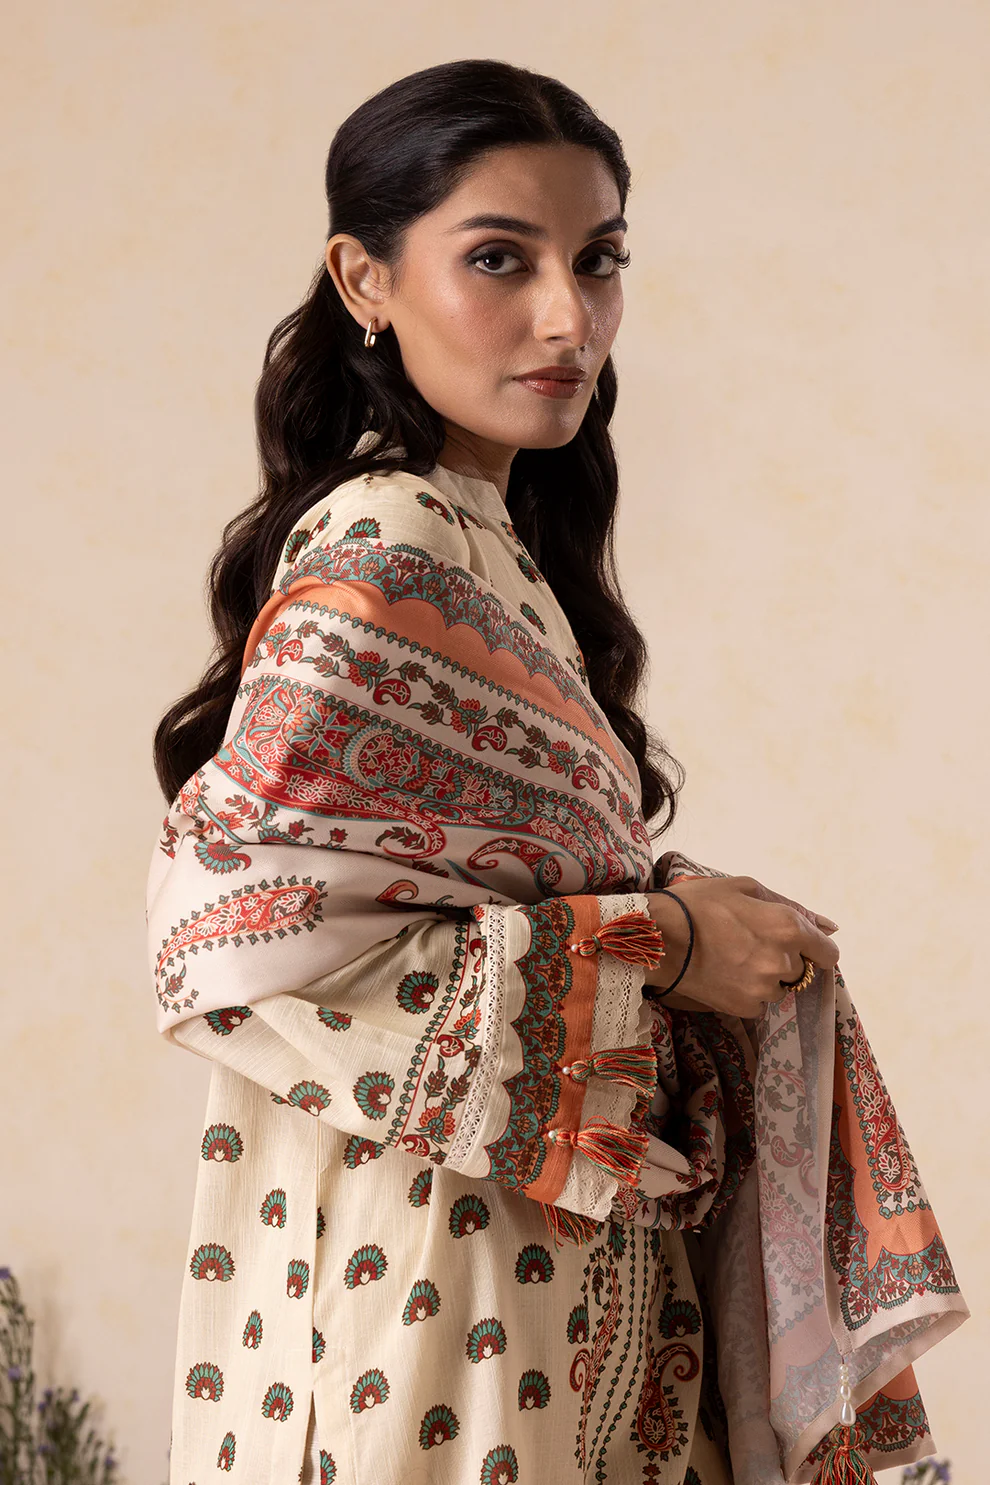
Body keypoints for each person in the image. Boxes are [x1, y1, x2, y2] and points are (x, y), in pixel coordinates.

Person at [146, 59, 966, 1485]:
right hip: (439, 1281)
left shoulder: (492, 540)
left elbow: (462, 887)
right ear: (364, 279)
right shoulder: (392, 543)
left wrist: (675, 911)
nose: (567, 318)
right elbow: (231, 935)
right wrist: (664, 942)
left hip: (537, 1255)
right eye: (498, 260)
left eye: (598, 261)